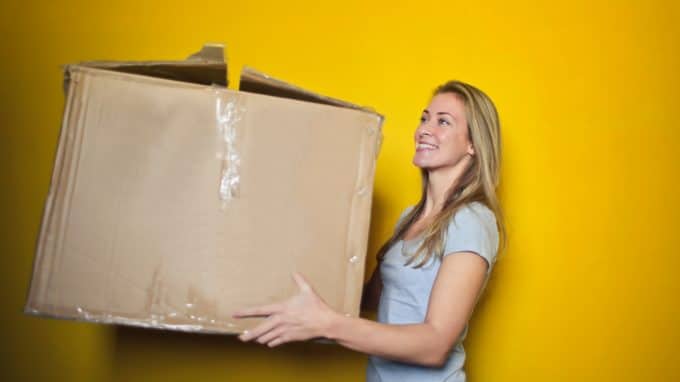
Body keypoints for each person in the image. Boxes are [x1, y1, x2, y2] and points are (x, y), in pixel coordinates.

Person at [234, 80, 504, 382]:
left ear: (473, 144)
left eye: (443, 122)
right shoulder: (409, 219)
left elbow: (435, 345)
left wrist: (327, 324)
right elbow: (370, 299)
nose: (425, 129)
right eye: (424, 118)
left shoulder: (471, 221)